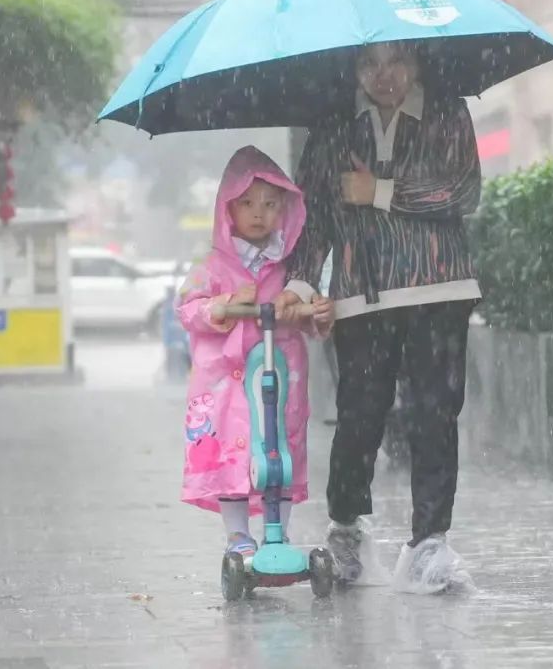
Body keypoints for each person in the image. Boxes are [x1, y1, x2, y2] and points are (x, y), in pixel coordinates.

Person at [277, 41, 482, 590]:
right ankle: (346, 529)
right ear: (352, 69)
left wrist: (379, 191)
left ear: (417, 62)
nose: (383, 75)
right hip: (361, 296)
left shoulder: (447, 111)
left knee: (435, 416)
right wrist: (298, 283)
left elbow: (463, 191)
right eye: (369, 63)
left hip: (440, 286)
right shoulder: (334, 126)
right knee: (358, 417)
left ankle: (430, 542)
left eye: (396, 61)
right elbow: (314, 215)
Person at [175, 146, 333, 556]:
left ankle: (279, 534)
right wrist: (223, 304)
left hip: (279, 374)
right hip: (226, 383)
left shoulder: (288, 268)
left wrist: (313, 313)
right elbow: (187, 309)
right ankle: (238, 535)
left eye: (270, 204)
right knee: (232, 450)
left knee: (278, 448)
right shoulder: (211, 266)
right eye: (246, 203)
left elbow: (305, 314)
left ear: (286, 209)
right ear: (227, 209)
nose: (258, 213)